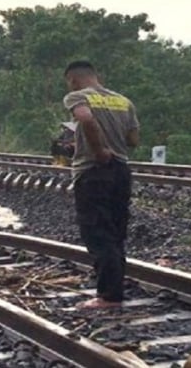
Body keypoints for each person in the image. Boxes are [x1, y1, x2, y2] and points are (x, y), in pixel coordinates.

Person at [62, 61, 140, 309]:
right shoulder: (123, 101)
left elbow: (84, 118)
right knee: (116, 232)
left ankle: (108, 296)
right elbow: (133, 138)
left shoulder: (76, 96)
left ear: (73, 80)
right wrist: (111, 141)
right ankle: (114, 289)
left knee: (97, 232)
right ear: (97, 75)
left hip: (93, 172)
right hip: (121, 170)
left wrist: (98, 149)